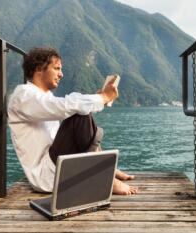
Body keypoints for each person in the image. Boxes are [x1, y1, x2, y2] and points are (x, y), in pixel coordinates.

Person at [7, 47, 138, 195]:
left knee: (81, 109)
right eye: (57, 69)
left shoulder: (44, 97)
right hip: (46, 176)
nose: (61, 74)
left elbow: (68, 106)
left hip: (58, 164)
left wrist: (94, 99)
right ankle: (105, 176)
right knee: (79, 112)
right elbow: (67, 106)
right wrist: (103, 98)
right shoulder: (23, 96)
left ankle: (106, 169)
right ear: (39, 68)